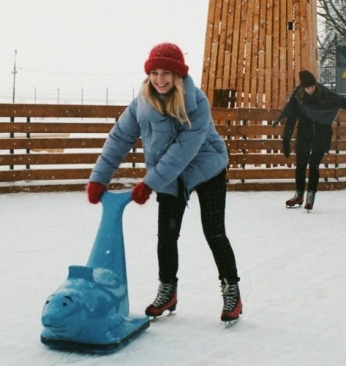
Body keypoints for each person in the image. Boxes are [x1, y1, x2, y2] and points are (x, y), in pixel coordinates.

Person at [86, 42, 242, 323]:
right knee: (166, 236)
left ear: (178, 75)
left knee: (214, 232)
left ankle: (231, 289)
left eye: (167, 73)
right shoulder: (141, 104)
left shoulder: (197, 104)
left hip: (207, 169)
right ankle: (167, 289)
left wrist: (149, 183)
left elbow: (183, 152)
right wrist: (100, 177)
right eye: (154, 73)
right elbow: (119, 138)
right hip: (169, 174)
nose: (160, 79)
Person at [274, 70, 346, 211]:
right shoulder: (298, 98)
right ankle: (299, 194)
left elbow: (341, 102)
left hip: (322, 133)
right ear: (303, 87)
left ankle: (311, 196)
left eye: (313, 86)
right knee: (300, 165)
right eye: (308, 87)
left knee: (313, 165)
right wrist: (286, 139)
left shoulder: (325, 94)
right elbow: (291, 119)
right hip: (304, 133)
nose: (311, 89)